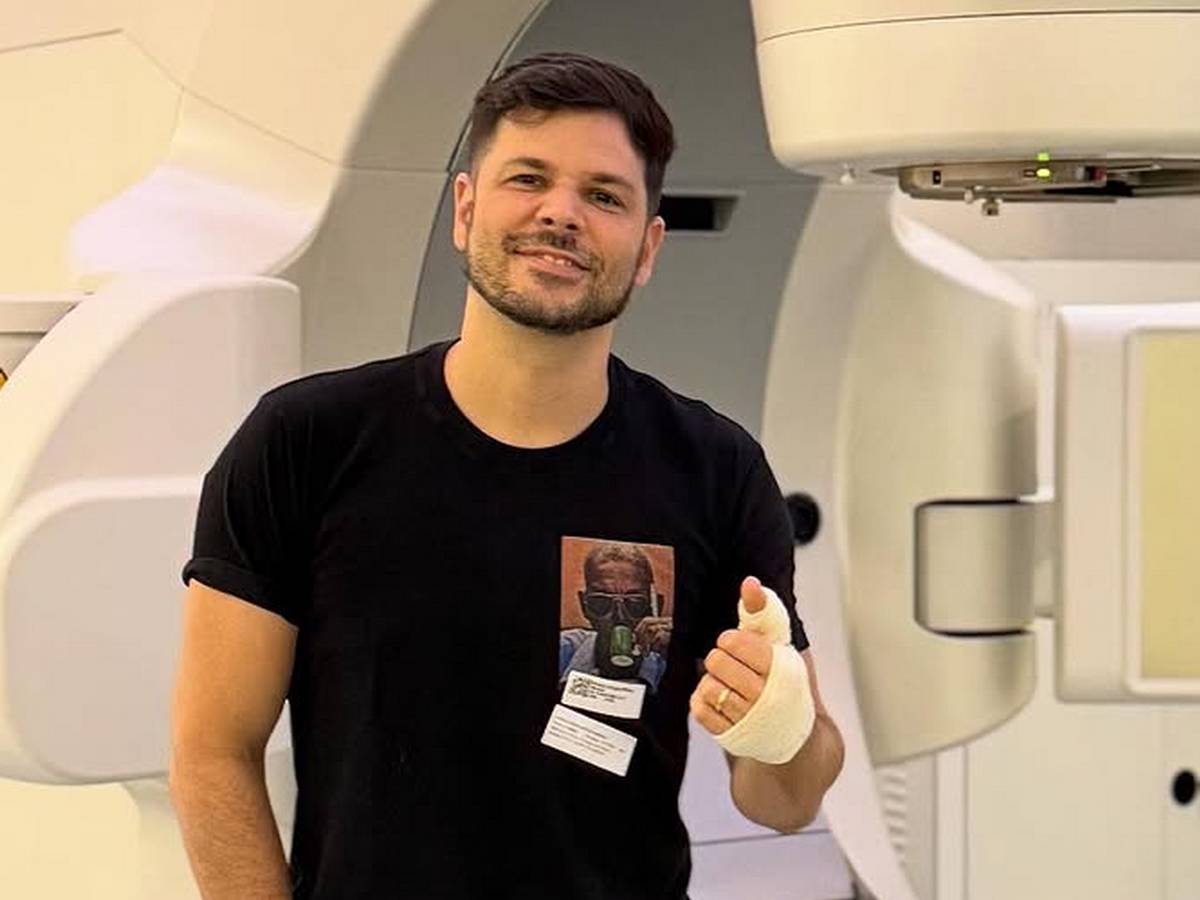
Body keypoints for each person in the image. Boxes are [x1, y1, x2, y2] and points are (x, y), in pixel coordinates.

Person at [170, 52, 844, 900]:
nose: (560, 213)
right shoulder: (305, 442)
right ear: (465, 209)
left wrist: (777, 726)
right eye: (529, 179)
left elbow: (785, 800)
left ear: (647, 248)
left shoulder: (714, 470)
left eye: (604, 196)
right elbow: (213, 750)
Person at [559, 541, 672, 689]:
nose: (619, 617)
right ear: (584, 606)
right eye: (601, 602)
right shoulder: (564, 649)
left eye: (635, 603)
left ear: (655, 606)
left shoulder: (665, 656)